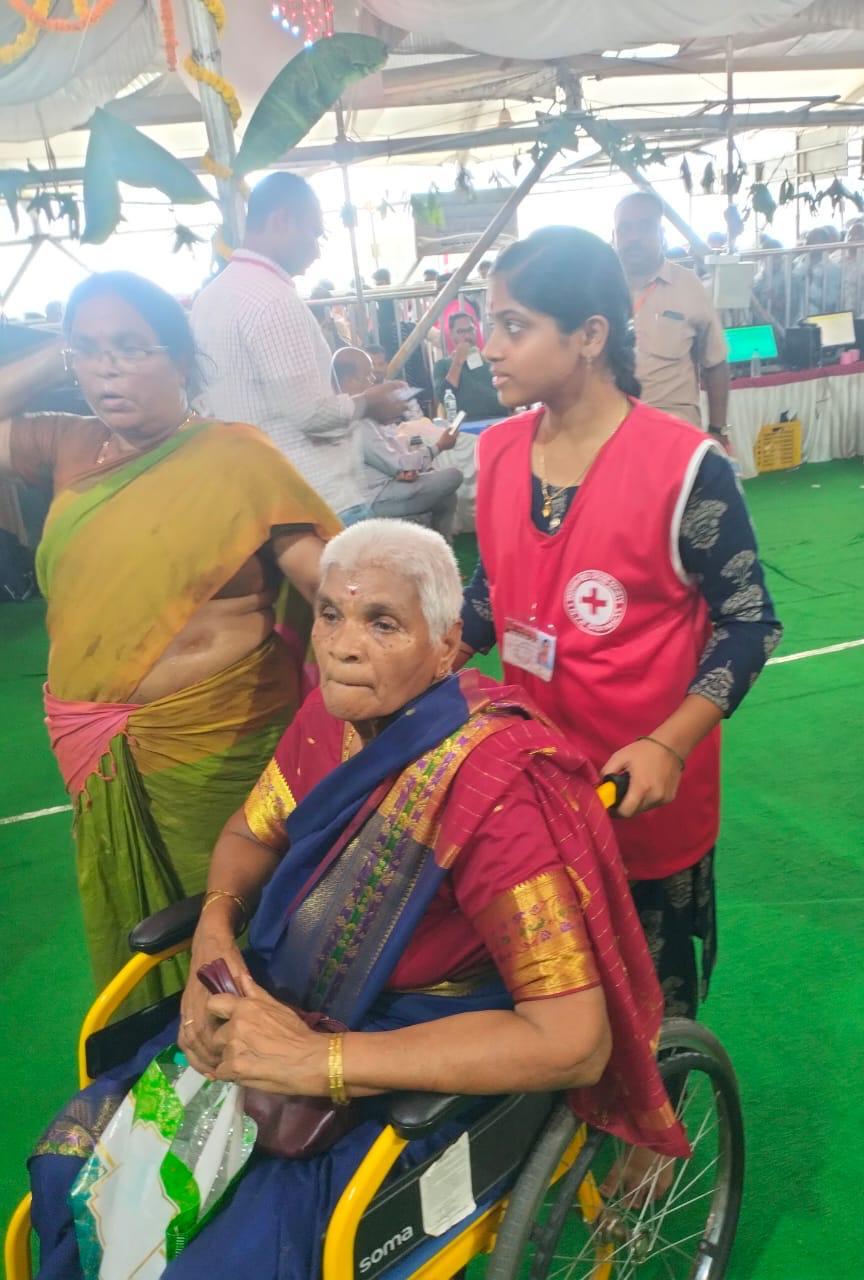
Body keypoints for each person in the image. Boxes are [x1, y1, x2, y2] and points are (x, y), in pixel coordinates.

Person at [29, 520, 688, 1280]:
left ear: (445, 645)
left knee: (213, 1259)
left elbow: (572, 1041)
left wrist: (324, 1062)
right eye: (330, 616)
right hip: (275, 1005)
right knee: (73, 1171)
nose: (342, 645)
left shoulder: (498, 792)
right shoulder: (327, 721)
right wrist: (215, 927)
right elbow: (249, 833)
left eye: (382, 623)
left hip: (408, 1056)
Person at [460, 226, 782, 1021]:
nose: (487, 350)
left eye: (513, 326)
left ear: (589, 337)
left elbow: (749, 623)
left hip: (638, 791)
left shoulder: (684, 467)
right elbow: (487, 594)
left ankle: (654, 1140)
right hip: (531, 783)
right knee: (548, 991)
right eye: (487, 325)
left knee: (647, 1003)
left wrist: (667, 743)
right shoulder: (498, 452)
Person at [0, 272, 340, 1002]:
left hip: (216, 746)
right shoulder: (69, 445)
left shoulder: (236, 459)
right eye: (87, 352)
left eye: (130, 348)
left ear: (181, 359)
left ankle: (270, 1080)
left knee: (238, 923)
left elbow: (328, 587)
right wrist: (61, 357)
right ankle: (167, 1071)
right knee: (138, 929)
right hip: (99, 749)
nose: (107, 368)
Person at [190, 173, 403, 526]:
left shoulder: (210, 297)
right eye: (314, 233)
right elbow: (311, 414)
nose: (317, 250)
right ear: (282, 220)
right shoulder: (272, 299)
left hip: (257, 497)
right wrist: (369, 401)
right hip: (318, 496)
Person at [614, 191, 730, 438]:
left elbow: (715, 363)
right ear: (615, 236)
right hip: (610, 432)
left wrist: (718, 430)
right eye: (625, 229)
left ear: (661, 235)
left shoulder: (688, 286)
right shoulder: (597, 288)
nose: (634, 237)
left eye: (645, 227)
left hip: (674, 433)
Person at [333, 347, 464, 541]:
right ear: (351, 381)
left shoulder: (362, 413)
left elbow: (397, 461)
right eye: (367, 377)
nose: (373, 382)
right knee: (453, 475)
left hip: (392, 484)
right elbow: (399, 465)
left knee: (446, 496)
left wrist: (410, 470)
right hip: (376, 498)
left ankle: (441, 551)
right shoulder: (356, 421)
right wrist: (438, 447)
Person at [433, 311, 505, 421]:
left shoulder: (490, 361)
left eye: (470, 330)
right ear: (452, 334)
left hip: (499, 419)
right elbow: (444, 396)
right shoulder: (443, 365)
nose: (467, 336)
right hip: (465, 424)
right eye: (461, 331)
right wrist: (458, 362)